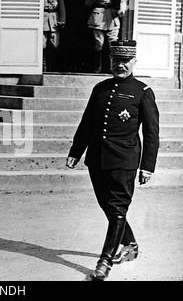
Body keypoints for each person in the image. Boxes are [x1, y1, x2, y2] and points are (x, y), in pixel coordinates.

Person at [66, 40, 159, 281]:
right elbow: (87, 122)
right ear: (110, 61)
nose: (120, 65)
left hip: (124, 160)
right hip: (96, 158)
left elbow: (151, 133)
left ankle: (104, 261)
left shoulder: (143, 92)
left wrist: (147, 166)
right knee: (107, 206)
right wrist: (76, 151)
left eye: (125, 61)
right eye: (115, 60)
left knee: (117, 208)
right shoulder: (100, 88)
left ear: (134, 62)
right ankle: (131, 245)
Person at [85, 0, 126, 73]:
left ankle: (113, 67)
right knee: (99, 44)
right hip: (98, 16)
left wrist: (121, 10)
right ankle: (97, 67)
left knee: (113, 44)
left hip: (112, 16)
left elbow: (123, 1)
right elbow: (88, 2)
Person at [43, 0, 66, 72]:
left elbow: (61, 7)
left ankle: (50, 65)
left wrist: (62, 20)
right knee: (42, 45)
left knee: (55, 45)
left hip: (54, 20)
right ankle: (43, 65)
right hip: (42, 19)